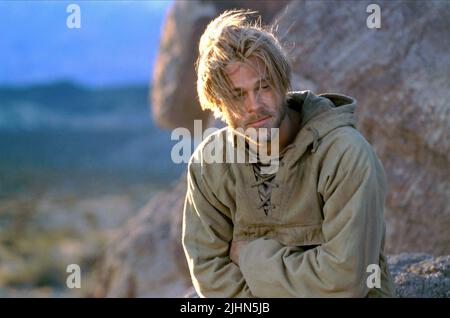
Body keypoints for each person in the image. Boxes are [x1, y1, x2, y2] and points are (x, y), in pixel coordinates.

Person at [182, 9, 395, 297]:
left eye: (263, 86)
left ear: (283, 84)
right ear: (218, 103)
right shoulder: (211, 165)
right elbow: (211, 277)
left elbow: (344, 280)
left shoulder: (345, 154)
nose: (254, 105)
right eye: (237, 95)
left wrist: (248, 257)